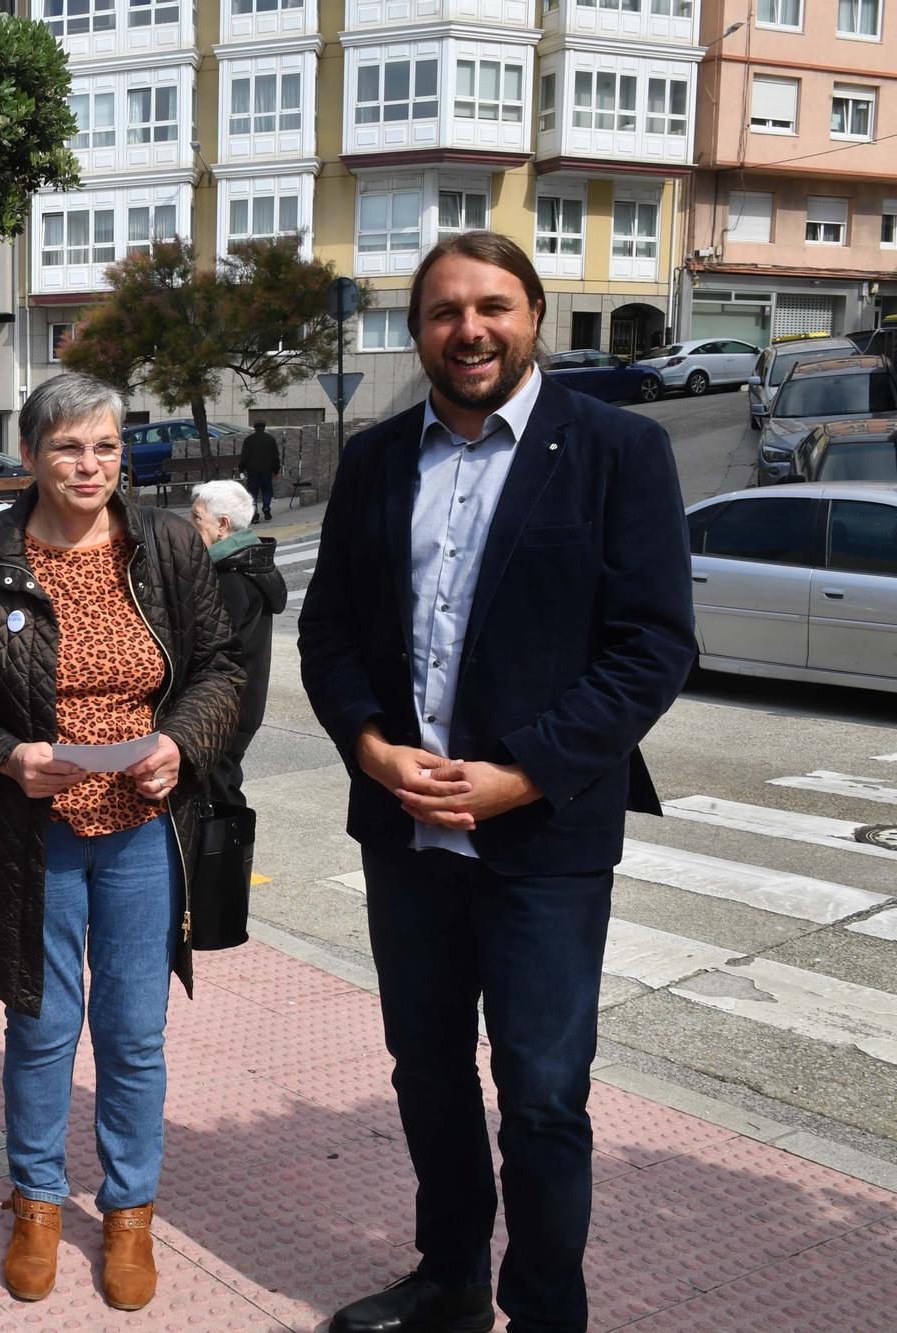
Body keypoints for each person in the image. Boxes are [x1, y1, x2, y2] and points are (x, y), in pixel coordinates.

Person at [298, 231, 694, 1333]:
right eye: (441, 311)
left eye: (491, 307)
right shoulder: (376, 459)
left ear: (532, 315)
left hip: (544, 845)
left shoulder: (615, 450)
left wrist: (520, 776)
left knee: (541, 1097)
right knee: (423, 1072)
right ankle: (449, 1280)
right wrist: (368, 749)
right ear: (417, 328)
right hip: (405, 834)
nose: (467, 329)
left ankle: (543, 1312)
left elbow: (650, 648)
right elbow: (327, 632)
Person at [0, 373, 242, 1313]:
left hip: (141, 827)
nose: (89, 465)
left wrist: (181, 743)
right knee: (42, 1026)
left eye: (105, 445)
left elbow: (217, 667)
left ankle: (129, 1211)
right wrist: (9, 756)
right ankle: (38, 1203)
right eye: (67, 447)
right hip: (33, 833)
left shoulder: (167, 544)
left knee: (134, 1036)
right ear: (29, 457)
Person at [189, 479, 285, 807]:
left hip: (222, 711)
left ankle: (226, 859)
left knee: (215, 802)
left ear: (223, 525)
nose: (191, 525)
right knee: (225, 790)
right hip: (241, 707)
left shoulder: (229, 578)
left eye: (196, 518)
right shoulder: (252, 566)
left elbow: (210, 649)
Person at [239, 419, 280, 522]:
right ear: (264, 427)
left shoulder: (248, 440)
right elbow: (275, 456)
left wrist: (241, 469)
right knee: (267, 491)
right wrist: (275, 470)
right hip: (267, 470)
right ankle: (266, 507)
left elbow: (244, 456)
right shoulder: (270, 439)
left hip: (252, 471)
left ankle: (254, 513)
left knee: (253, 492)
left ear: (254, 427)